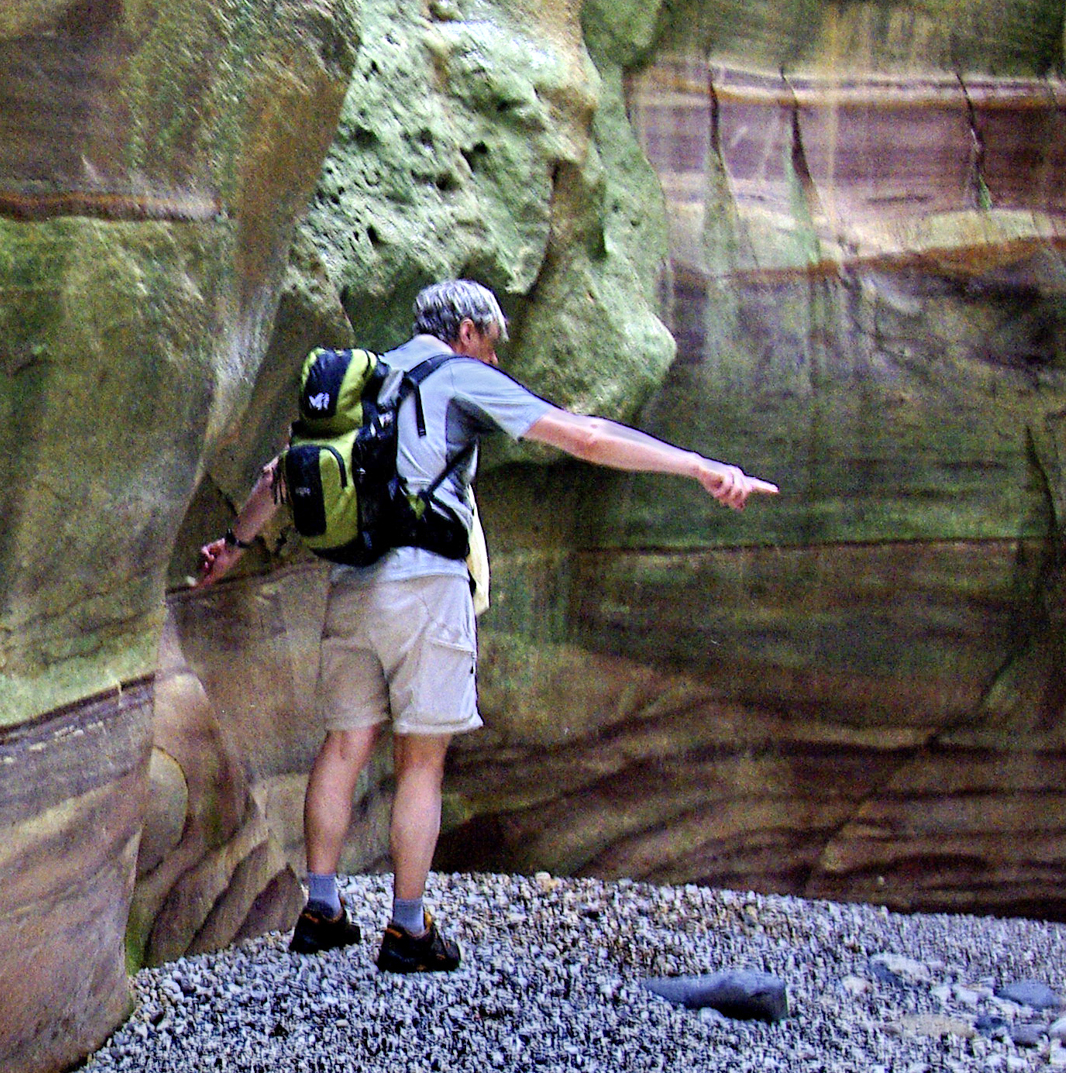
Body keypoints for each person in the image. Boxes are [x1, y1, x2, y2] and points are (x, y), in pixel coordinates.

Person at [189, 280, 779, 973]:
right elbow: (583, 437)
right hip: (427, 590)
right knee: (421, 759)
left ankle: (321, 910)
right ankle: (408, 931)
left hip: (353, 587)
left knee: (345, 744)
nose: (494, 358)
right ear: (467, 330)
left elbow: (278, 473)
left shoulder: (359, 382)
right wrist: (696, 466)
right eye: (491, 342)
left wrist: (232, 546)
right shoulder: (460, 378)